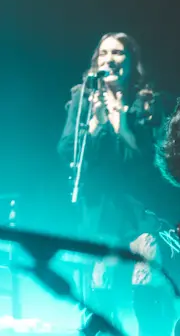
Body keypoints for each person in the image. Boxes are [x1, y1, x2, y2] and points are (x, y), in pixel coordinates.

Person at [57, 32, 173, 335]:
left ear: (131, 61)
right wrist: (94, 126)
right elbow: (66, 150)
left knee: (147, 276)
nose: (110, 59)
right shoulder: (82, 97)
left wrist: (122, 124)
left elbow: (152, 162)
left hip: (139, 209)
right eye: (104, 53)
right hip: (99, 211)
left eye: (118, 53)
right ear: (97, 61)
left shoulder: (146, 102)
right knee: (100, 285)